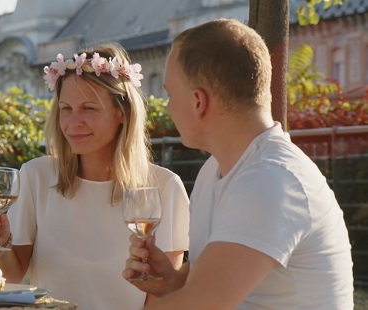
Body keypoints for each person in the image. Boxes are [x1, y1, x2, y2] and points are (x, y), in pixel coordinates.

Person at [123, 18, 354, 309]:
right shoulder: (218, 169)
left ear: (198, 102)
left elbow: (198, 305)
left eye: (170, 94)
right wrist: (173, 281)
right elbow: (212, 290)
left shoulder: (270, 179)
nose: (167, 107)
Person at [0, 42, 190, 310]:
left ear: (121, 113)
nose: (73, 122)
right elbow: (9, 278)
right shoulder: (35, 176)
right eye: (66, 109)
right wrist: (0, 240)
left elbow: (164, 298)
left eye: (89, 108)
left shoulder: (165, 187)